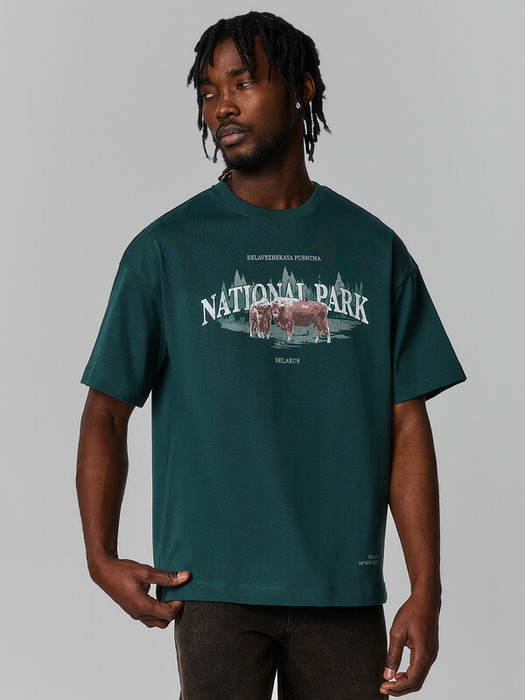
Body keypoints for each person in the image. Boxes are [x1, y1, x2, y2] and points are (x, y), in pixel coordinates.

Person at [76, 10, 467, 699]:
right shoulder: (165, 251)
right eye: (207, 91)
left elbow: (406, 422)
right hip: (212, 587)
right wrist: (99, 556)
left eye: (242, 82)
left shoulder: (373, 249)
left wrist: (425, 588)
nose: (220, 105)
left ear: (302, 88)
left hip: (341, 586)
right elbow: (106, 410)